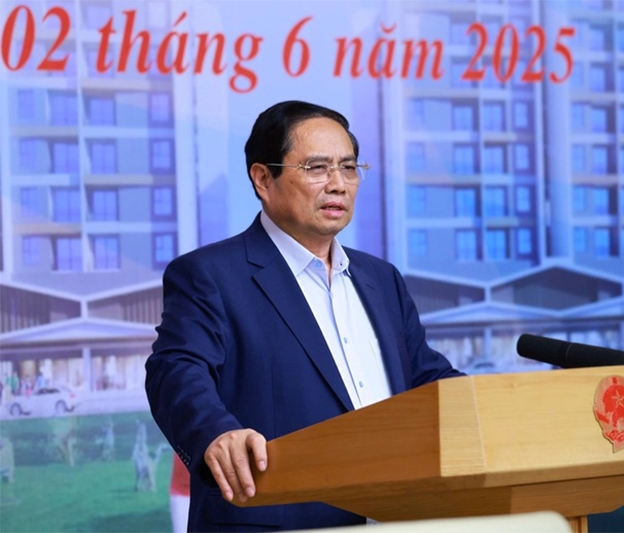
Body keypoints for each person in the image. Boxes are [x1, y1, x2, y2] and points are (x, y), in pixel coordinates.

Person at [145, 100, 463, 531]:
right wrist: (215, 433)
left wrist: (506, 408)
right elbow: (176, 369)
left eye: (348, 168)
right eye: (317, 168)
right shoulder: (211, 275)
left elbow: (427, 379)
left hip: (396, 519)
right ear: (263, 178)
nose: (338, 184)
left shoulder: (381, 279)